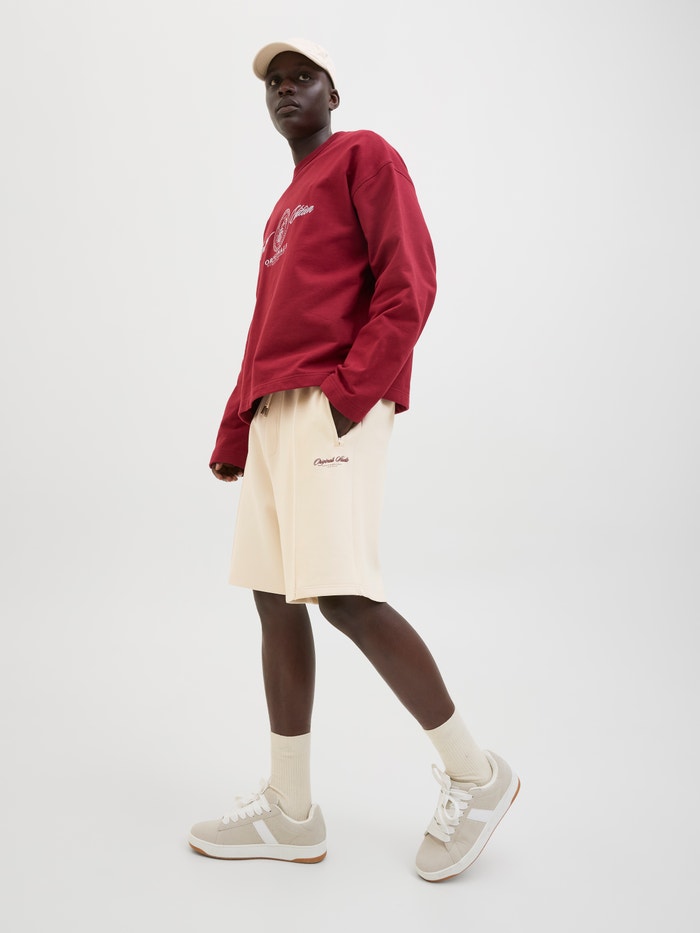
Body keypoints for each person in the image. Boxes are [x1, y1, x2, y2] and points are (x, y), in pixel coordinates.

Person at [188, 38, 519, 883]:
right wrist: (235, 429)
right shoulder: (282, 206)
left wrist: (349, 396)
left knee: (342, 594)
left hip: (329, 407)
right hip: (275, 413)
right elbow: (265, 329)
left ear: (333, 93)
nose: (286, 90)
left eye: (303, 77)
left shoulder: (364, 156)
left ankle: (476, 773)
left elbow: (412, 281)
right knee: (273, 596)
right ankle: (291, 809)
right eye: (275, 82)